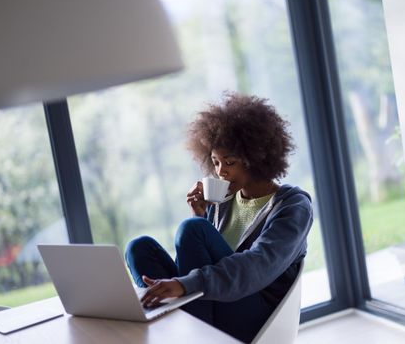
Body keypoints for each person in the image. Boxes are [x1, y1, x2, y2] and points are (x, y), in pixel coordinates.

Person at [125, 93, 313, 343]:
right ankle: (179, 330)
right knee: (139, 248)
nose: (220, 172)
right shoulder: (223, 200)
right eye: (215, 162)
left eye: (230, 162)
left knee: (193, 230)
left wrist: (186, 282)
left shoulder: (292, 206)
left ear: (256, 158)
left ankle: (185, 333)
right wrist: (201, 216)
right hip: (213, 305)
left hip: (253, 314)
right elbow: (204, 259)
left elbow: (257, 266)